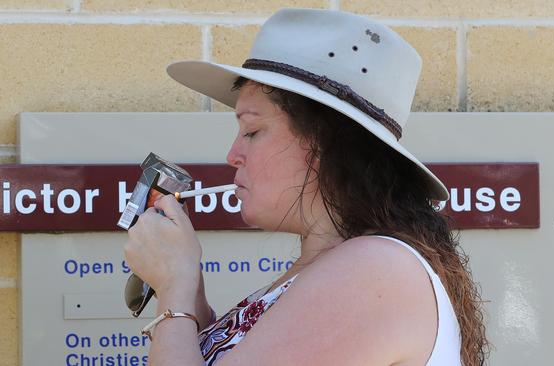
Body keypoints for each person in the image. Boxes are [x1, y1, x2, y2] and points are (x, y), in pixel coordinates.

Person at [124, 7, 488, 366]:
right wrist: (188, 290)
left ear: (323, 144)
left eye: (252, 131)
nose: (233, 155)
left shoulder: (374, 272)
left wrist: (174, 289)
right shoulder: (344, 267)